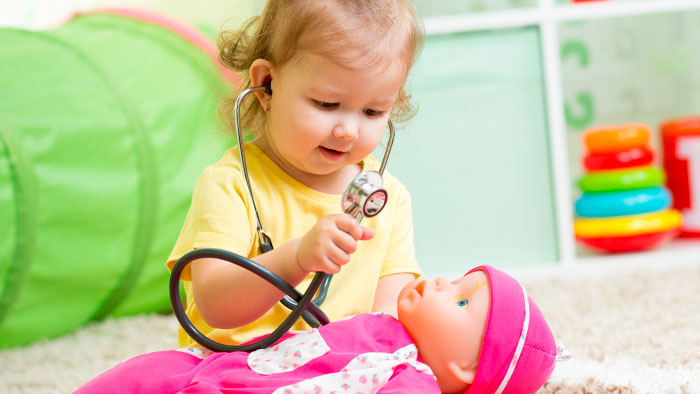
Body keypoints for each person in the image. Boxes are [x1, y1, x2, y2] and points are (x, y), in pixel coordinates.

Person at [165, 0, 425, 349]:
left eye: (372, 111)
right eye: (326, 104)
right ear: (268, 84)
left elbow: (389, 318)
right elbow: (214, 306)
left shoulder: (387, 196)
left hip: (339, 371)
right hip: (237, 370)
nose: (348, 129)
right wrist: (296, 258)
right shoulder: (230, 185)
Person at [74, 265, 563, 394]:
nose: (441, 282)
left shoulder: (415, 378)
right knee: (147, 370)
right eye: (458, 280)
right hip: (220, 366)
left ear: (465, 367)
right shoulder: (387, 325)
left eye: (460, 299)